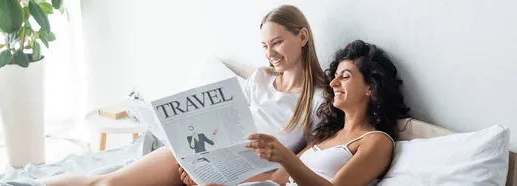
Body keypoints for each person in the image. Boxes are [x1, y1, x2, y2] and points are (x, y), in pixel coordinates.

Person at [41, 4, 327, 186]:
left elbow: (295, 167)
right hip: (204, 154)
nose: (270, 54)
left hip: (243, 175)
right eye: (265, 46)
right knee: (107, 184)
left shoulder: (318, 101)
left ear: (302, 37)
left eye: (277, 43)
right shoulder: (261, 78)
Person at [181, 40, 411, 185]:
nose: (333, 84)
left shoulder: (377, 141)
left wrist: (286, 157)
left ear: (371, 87)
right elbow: (274, 178)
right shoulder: (327, 136)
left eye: (346, 77)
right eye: (335, 76)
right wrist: (212, 176)